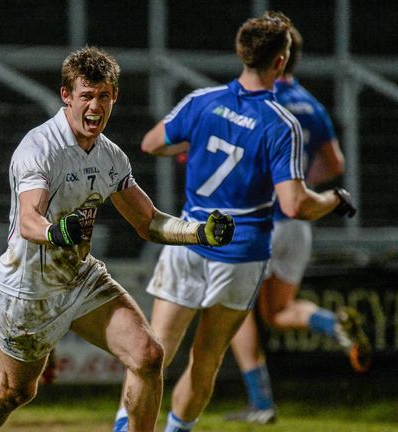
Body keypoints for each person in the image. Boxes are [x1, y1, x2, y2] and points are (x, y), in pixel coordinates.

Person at [0, 46, 235, 432]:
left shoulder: (111, 157)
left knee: (148, 356)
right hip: (28, 293)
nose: (95, 106)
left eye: (104, 96)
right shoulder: (40, 148)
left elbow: (148, 222)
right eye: (86, 96)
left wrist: (199, 232)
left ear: (115, 98)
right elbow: (29, 219)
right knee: (16, 392)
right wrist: (54, 231)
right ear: (66, 96)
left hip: (79, 280)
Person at [112, 12, 357, 432]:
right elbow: (295, 204)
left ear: (241, 53)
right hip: (240, 254)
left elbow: (152, 143)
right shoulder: (282, 124)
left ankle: (123, 427)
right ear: (280, 62)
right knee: (205, 358)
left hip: (188, 240)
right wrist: (333, 200)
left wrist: (194, 147)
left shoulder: (202, 101)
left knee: (153, 352)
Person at [223, 26, 371, 424]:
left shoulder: (256, 98)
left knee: (234, 311)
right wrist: (299, 185)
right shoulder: (309, 103)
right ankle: (333, 322)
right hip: (298, 222)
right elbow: (335, 164)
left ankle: (261, 403)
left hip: (262, 223)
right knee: (277, 310)